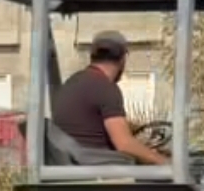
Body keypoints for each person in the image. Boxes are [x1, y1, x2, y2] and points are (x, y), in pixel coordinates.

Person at [50, 31, 166, 165]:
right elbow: (124, 143)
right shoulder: (105, 88)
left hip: (73, 166)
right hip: (100, 171)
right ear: (123, 58)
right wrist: (166, 163)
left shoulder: (70, 83)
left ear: (92, 56)